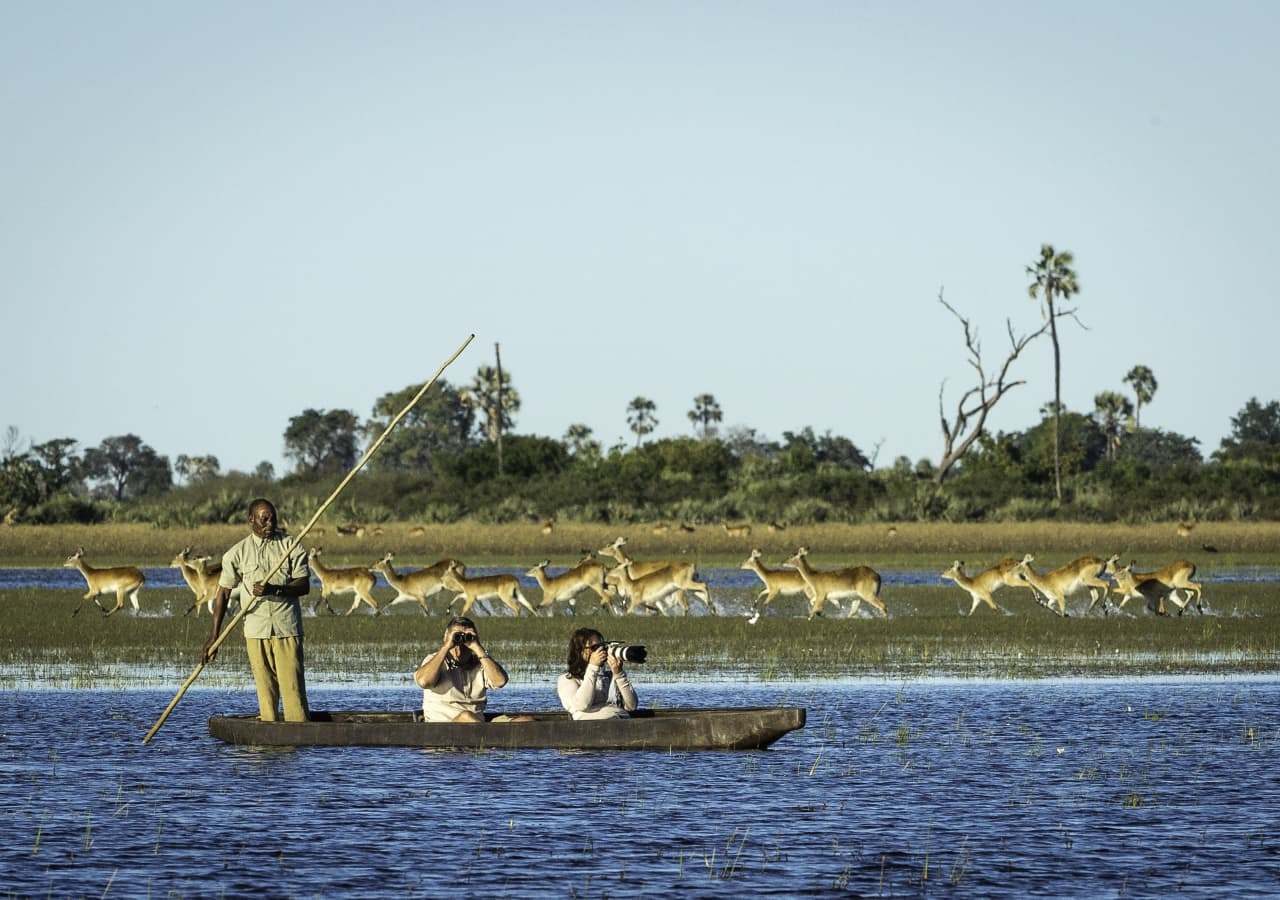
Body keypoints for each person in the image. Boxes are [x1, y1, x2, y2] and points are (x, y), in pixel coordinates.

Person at [201, 499, 311, 723]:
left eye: (273, 518)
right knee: (266, 693)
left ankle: (297, 740)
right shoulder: (237, 553)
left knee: (293, 692)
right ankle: (268, 737)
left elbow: (304, 585)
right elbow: (222, 594)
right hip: (255, 630)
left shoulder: (291, 545)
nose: (270, 523)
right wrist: (214, 637)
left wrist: (275, 589)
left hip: (286, 629)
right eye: (264, 519)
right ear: (251, 520)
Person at [415, 616, 515, 723]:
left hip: (478, 724)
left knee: (526, 720)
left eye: (467, 637)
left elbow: (500, 681)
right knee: (466, 717)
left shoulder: (481, 663)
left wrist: (477, 647)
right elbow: (424, 681)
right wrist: (446, 646)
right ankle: (490, 737)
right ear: (446, 637)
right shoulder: (435, 661)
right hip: (444, 728)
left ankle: (490, 736)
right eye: (456, 636)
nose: (460, 644)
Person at [556, 628, 638, 720]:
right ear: (579, 651)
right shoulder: (567, 679)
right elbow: (581, 705)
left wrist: (619, 674)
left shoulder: (608, 677)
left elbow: (632, 706)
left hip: (619, 725)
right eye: (593, 648)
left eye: (601, 646)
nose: (599, 651)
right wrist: (593, 667)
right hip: (586, 730)